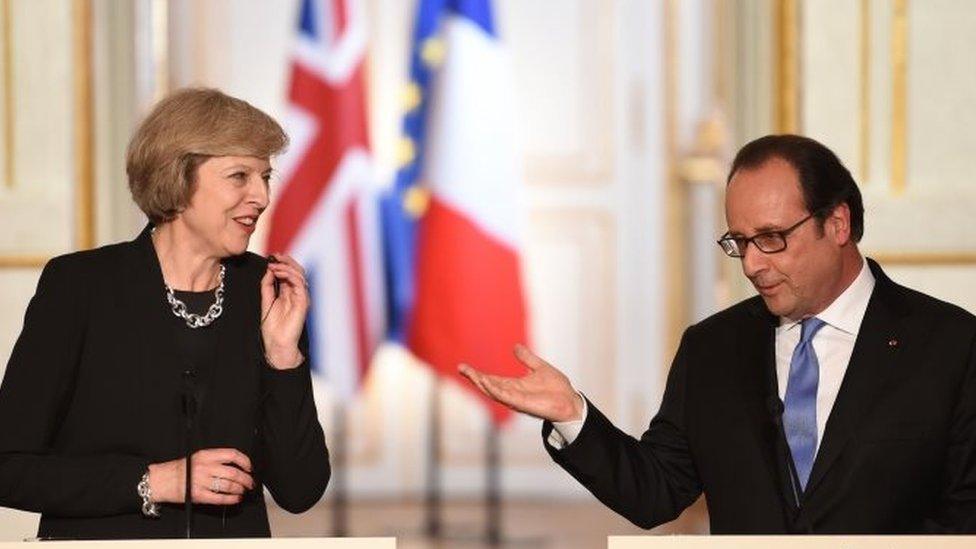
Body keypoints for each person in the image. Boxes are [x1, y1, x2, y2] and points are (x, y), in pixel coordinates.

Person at [461, 134, 976, 533]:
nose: (752, 264)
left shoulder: (952, 346)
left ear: (837, 224)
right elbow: (656, 492)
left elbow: (965, 515)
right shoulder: (712, 349)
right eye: (739, 242)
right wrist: (573, 415)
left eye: (771, 239)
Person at [0, 88, 329, 539]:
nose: (262, 196)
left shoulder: (267, 291)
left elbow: (301, 489)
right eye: (240, 176)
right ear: (178, 177)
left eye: (265, 177)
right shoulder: (81, 286)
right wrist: (156, 481)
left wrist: (282, 355)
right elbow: (9, 466)